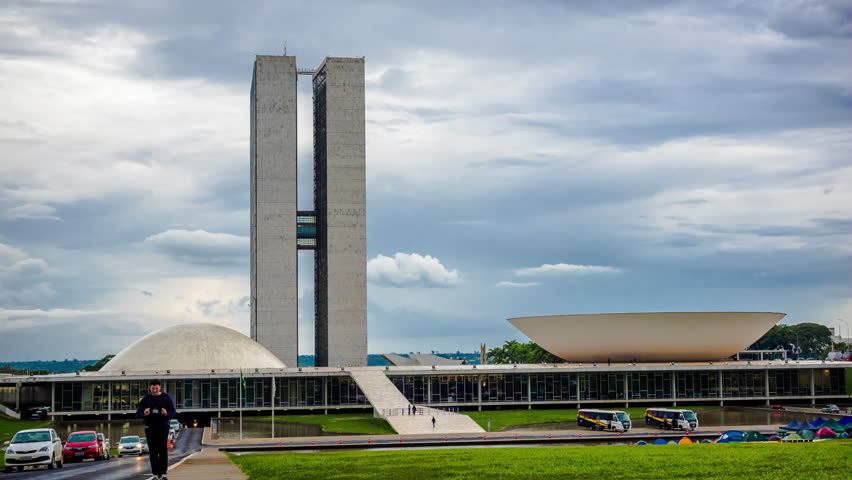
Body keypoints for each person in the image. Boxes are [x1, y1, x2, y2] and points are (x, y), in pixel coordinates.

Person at [136, 379, 176, 480]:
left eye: (156, 388)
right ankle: (155, 473)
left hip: (163, 426)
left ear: (160, 388)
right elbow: (138, 413)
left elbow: (173, 411)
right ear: (150, 388)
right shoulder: (146, 399)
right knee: (153, 451)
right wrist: (144, 414)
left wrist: (166, 413)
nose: (154, 390)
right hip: (150, 427)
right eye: (153, 389)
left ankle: (163, 473)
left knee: (162, 449)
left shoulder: (166, 397)